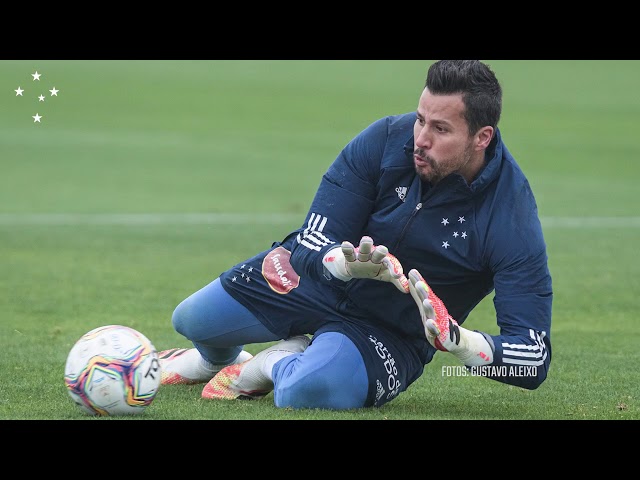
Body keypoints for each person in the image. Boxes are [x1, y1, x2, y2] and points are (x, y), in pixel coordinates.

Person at [158, 60, 553, 410]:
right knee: (192, 319)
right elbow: (312, 239)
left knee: (303, 391)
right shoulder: (385, 140)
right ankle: (212, 361)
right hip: (316, 283)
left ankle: (272, 362)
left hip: (386, 333)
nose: (420, 139)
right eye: (420, 119)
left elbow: (533, 357)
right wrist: (342, 264)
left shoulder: (510, 216)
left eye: (440, 128)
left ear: (481, 137)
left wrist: (460, 341)